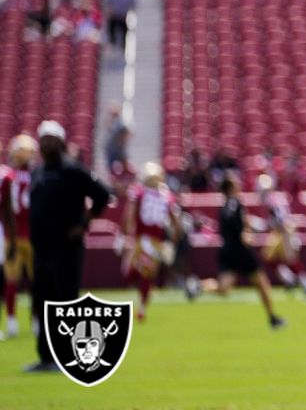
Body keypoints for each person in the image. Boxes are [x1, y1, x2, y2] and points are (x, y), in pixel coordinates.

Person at [26, 121, 112, 371]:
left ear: (61, 142)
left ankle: (66, 358)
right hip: (41, 249)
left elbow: (102, 195)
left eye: (52, 138)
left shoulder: (73, 170)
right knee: (42, 302)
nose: (47, 143)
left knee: (65, 303)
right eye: (43, 138)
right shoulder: (38, 171)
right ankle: (45, 357)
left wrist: (83, 224)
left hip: (66, 247)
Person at [201, 177, 285, 330]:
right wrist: (244, 234)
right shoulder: (235, 203)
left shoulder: (222, 206)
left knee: (224, 288)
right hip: (241, 251)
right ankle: (272, 317)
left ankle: (199, 286)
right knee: (262, 284)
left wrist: (246, 230)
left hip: (227, 251)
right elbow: (236, 221)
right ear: (231, 188)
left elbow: (235, 224)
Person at [120, 162, 181, 321]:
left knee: (130, 273)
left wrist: (124, 233)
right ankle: (141, 307)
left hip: (141, 239)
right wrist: (172, 242)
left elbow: (128, 215)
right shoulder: (167, 196)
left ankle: (139, 307)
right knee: (146, 277)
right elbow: (177, 224)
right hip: (155, 243)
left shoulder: (139, 192)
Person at [1, 135, 37, 340]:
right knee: (33, 281)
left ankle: (13, 321)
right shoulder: (37, 175)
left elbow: (4, 209)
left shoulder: (8, 177)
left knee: (13, 280)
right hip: (30, 235)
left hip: (13, 236)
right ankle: (35, 321)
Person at [257, 175, 306, 298]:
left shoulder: (271, 199)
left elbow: (280, 219)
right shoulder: (275, 197)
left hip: (284, 230)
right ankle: (289, 280)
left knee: (291, 260)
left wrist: (264, 225)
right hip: (280, 231)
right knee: (268, 257)